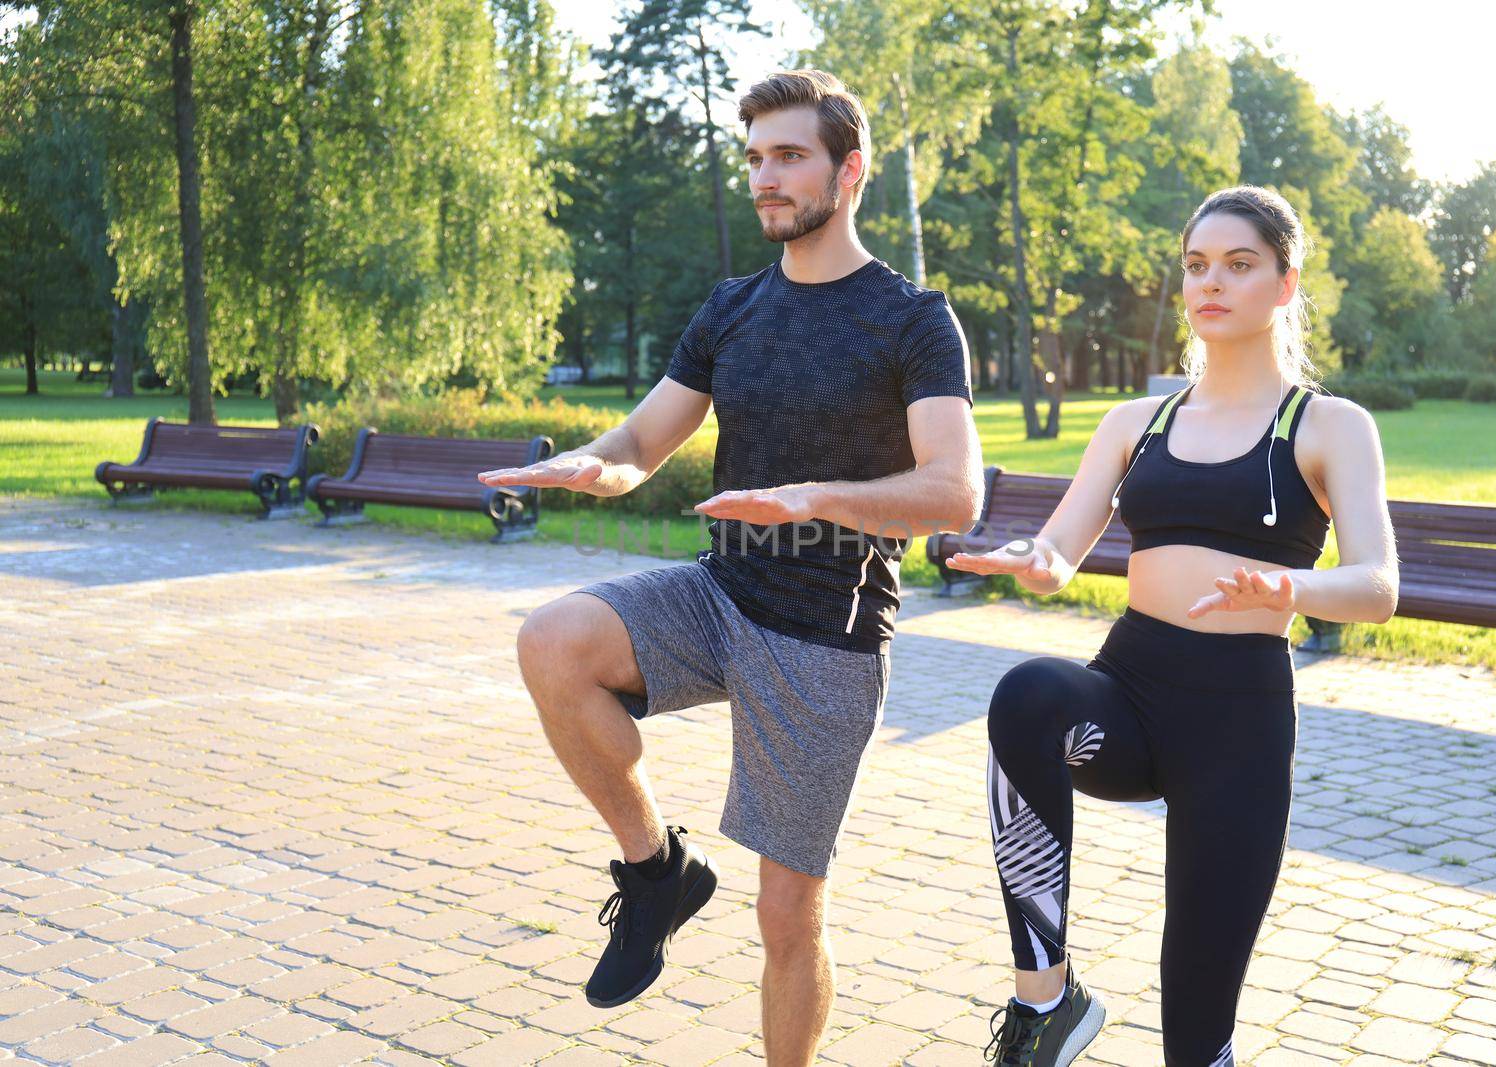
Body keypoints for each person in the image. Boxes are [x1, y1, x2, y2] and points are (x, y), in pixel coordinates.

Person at [479, 70, 982, 1065]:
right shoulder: (732, 307)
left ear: (850, 170)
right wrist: (597, 464)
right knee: (553, 642)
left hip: (825, 635)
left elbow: (953, 491)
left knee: (786, 912)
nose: (765, 177)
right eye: (754, 157)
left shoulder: (911, 318)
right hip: (718, 594)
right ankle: (656, 869)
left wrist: (820, 497)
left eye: (788, 155)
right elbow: (644, 439)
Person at [950, 186, 1399, 1066]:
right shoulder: (1136, 423)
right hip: (1129, 691)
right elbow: (1061, 551)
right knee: (1027, 697)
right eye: (1197, 265)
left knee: (1195, 1034)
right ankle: (1048, 1000)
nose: (1212, 282)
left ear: (1284, 282)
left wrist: (1288, 585)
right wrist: (1031, 562)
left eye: (1239, 265)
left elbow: (1378, 584)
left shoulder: (1328, 426)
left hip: (1239, 721)